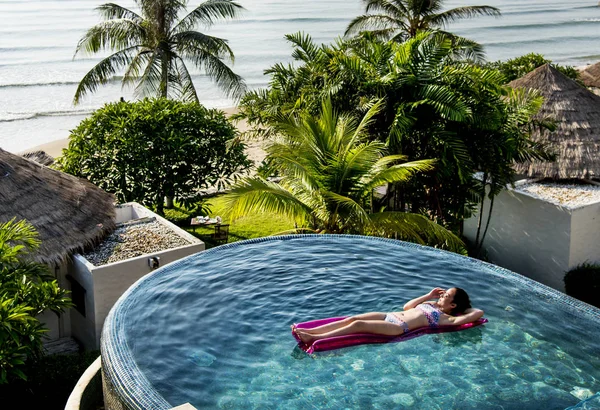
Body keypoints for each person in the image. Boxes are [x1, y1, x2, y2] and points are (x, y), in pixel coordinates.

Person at [292, 287, 484, 346]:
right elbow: (407, 306)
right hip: (389, 316)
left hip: (399, 327)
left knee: (358, 324)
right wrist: (429, 295)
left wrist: (461, 309)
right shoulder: (431, 303)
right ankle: (310, 331)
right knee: (351, 318)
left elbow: (477, 313)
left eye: (446, 296)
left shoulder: (446, 319)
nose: (442, 295)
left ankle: (315, 338)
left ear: (453, 305)